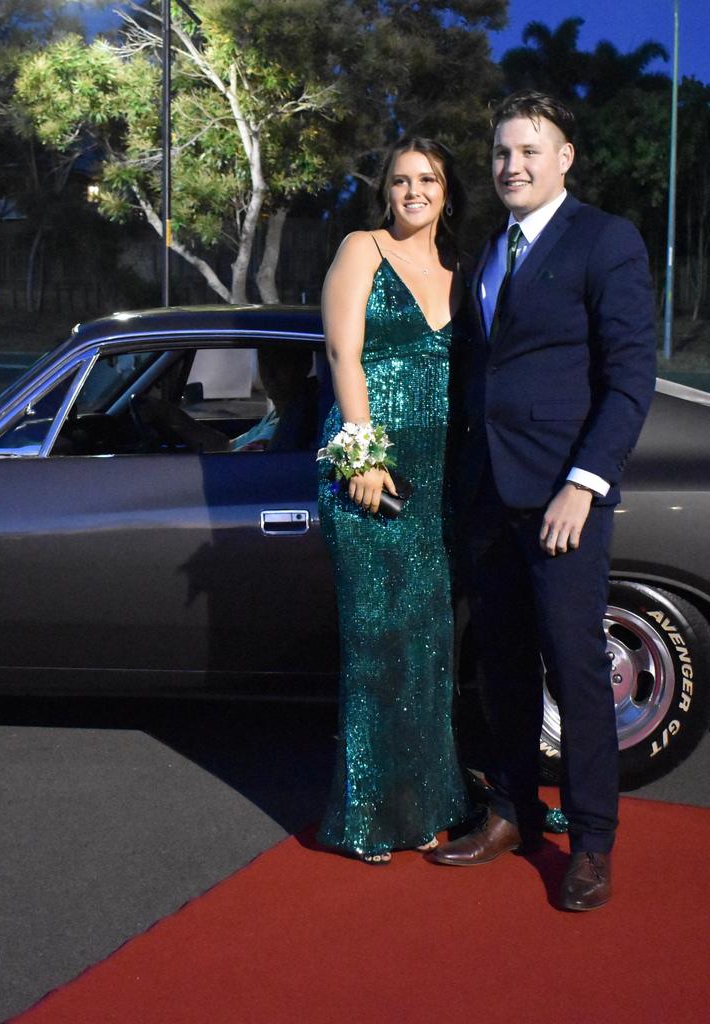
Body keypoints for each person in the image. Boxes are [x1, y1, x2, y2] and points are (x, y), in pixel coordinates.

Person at [427, 91, 656, 910]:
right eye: (499, 152)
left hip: (563, 502)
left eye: (529, 150)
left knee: (578, 671)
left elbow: (630, 379)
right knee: (502, 670)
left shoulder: (606, 239)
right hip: (489, 495)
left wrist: (583, 486)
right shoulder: (490, 249)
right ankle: (514, 811)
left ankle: (592, 841)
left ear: (564, 158)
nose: (510, 165)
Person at [317, 137, 471, 863]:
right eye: (402, 180)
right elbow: (344, 353)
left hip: (438, 477)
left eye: (428, 180)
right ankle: (370, 818)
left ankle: (432, 804)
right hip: (370, 472)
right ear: (387, 190)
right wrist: (363, 454)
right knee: (378, 643)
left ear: (446, 191)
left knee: (430, 647)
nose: (414, 191)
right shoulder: (362, 248)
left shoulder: (460, 268)